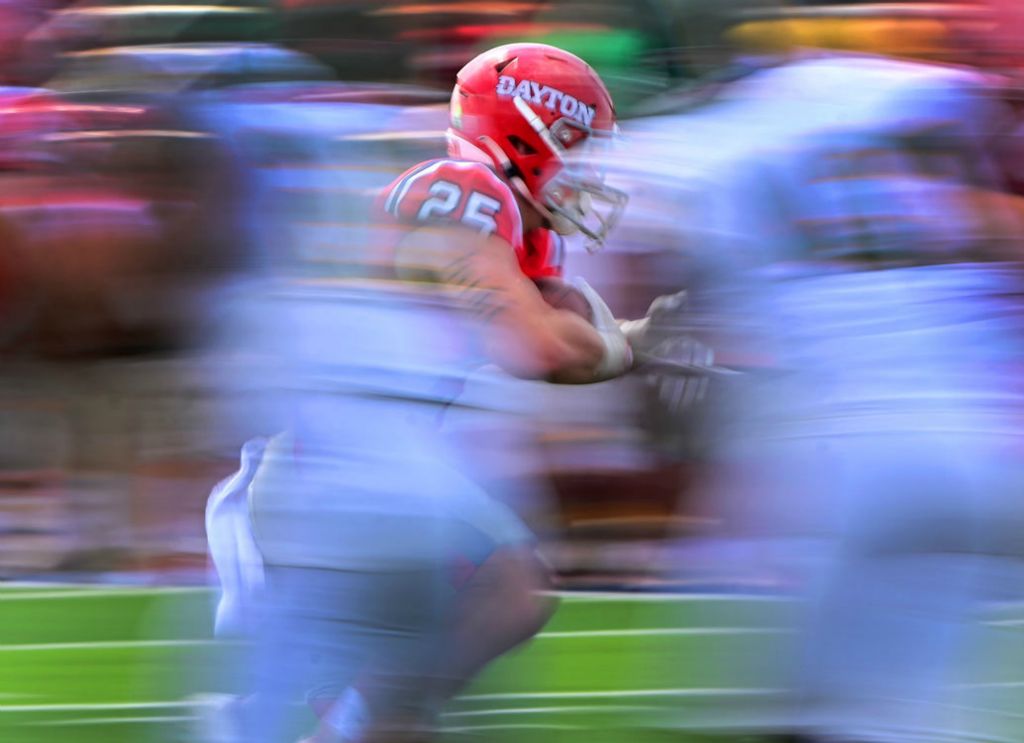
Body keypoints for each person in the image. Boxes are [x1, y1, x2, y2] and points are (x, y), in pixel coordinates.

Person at [237, 42, 636, 743]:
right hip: (334, 466)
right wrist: (623, 344)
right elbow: (540, 347)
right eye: (575, 145)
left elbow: (560, 343)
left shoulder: (512, 228)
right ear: (521, 131)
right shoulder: (463, 187)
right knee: (509, 593)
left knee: (401, 721)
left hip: (362, 469)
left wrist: (619, 339)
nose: (587, 170)